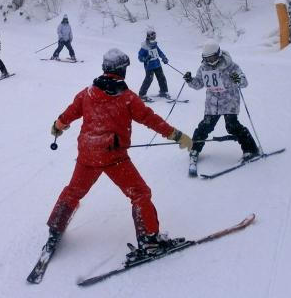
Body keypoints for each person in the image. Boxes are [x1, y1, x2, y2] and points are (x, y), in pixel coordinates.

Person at [45, 48, 193, 259]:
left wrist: (58, 125)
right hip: (114, 158)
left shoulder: (87, 93)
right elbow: (151, 119)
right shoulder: (128, 98)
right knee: (140, 194)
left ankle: (55, 229)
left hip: (88, 154)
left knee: (73, 192)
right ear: (122, 70)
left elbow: (69, 113)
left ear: (105, 68)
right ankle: (149, 240)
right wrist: (177, 136)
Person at [183, 40, 259, 176]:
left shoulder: (231, 66)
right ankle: (195, 149)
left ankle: (251, 149)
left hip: (229, 102)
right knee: (205, 126)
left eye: (212, 57)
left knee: (232, 126)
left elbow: (244, 82)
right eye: (206, 58)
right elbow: (198, 84)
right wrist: (190, 80)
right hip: (212, 103)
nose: (210, 60)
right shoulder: (203, 68)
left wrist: (237, 79)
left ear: (218, 54)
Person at [138, 30, 170, 102]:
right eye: (152, 36)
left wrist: (164, 58)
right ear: (148, 36)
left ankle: (163, 92)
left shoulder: (154, 44)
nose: (154, 37)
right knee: (149, 79)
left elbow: (159, 52)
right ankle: (142, 95)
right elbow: (140, 57)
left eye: (155, 36)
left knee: (161, 77)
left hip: (157, 64)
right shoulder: (144, 47)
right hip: (149, 66)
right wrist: (145, 58)